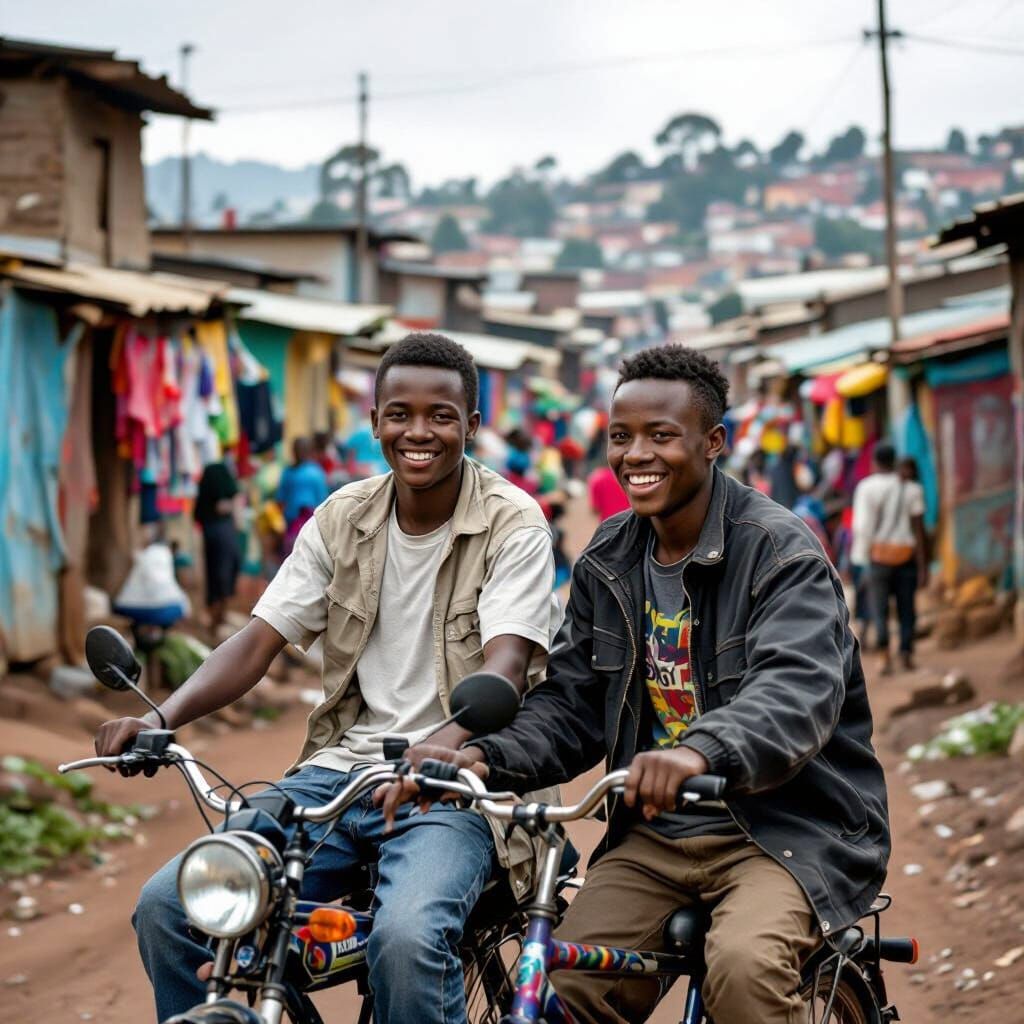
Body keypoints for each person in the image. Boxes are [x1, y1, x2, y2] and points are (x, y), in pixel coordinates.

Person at [392, 344, 891, 1024]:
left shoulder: (780, 553)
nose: (636, 455)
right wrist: (482, 756)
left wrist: (696, 753)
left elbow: (792, 694)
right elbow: (573, 703)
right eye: (620, 437)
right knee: (554, 991)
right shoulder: (610, 556)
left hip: (784, 831)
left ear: (713, 442)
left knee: (743, 973)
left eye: (661, 436)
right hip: (654, 838)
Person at [93, 332, 559, 1024]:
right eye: (399, 413)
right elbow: (257, 642)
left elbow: (507, 666)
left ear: (472, 426)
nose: (418, 432)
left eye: (441, 415)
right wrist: (160, 720)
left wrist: (447, 740)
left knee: (405, 939)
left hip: (456, 786)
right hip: (337, 775)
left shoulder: (511, 523)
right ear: (374, 423)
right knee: (172, 907)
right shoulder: (342, 518)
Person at [851, 444, 928, 674]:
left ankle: (884, 656)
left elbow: (862, 527)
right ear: (894, 460)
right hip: (906, 556)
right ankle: (906, 653)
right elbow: (919, 530)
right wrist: (924, 566)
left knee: (880, 608)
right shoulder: (912, 488)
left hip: (879, 557)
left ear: (874, 462)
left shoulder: (866, 488)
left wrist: (862, 557)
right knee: (907, 608)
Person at [193, 459, 240, 629]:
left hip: (210, 533)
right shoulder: (223, 506)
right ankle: (219, 617)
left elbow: (197, 515)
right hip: (223, 534)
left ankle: (216, 618)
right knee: (224, 574)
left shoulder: (205, 494)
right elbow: (224, 507)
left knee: (214, 575)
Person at [277, 436, 329, 555]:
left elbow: (280, 499)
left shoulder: (289, 472)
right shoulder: (316, 472)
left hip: (299, 524)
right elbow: (324, 500)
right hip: (307, 524)